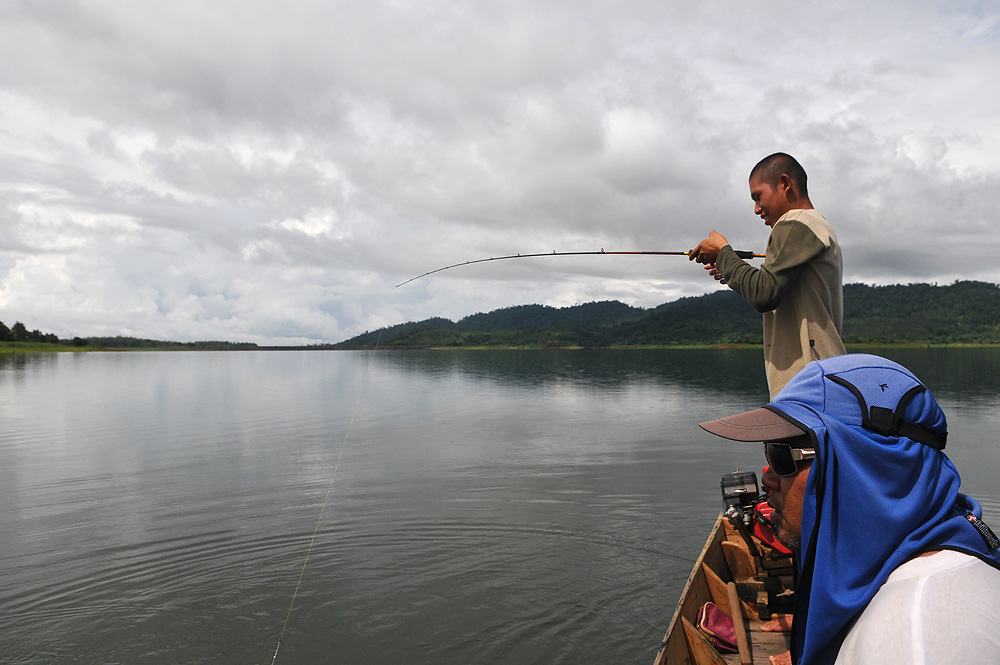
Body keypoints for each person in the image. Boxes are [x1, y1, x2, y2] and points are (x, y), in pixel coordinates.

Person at [698, 353, 1000, 665]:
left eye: (781, 455)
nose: (767, 478)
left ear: (866, 465)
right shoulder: (949, 548)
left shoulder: (911, 640)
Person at [689, 153, 846, 399]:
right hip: (820, 381)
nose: (756, 209)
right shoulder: (815, 225)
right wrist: (730, 269)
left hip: (809, 385)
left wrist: (722, 252)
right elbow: (772, 287)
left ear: (785, 183)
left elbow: (764, 293)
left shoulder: (795, 223)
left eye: (758, 196)